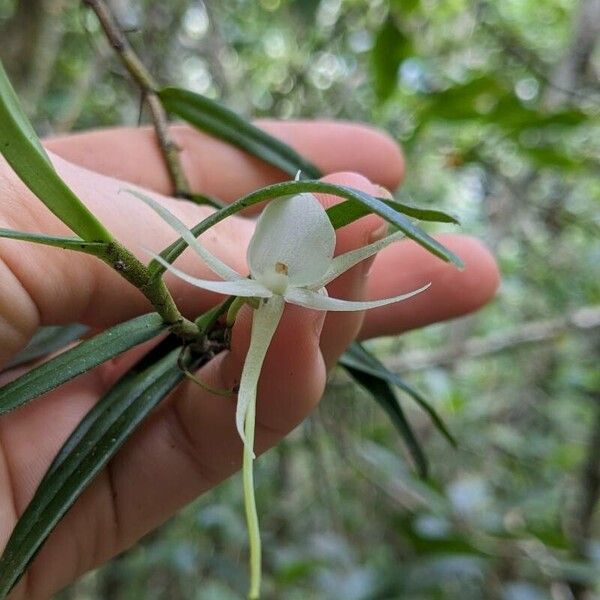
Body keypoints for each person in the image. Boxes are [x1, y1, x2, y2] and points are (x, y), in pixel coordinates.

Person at [0, 120, 499, 599]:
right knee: (247, 407)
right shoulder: (263, 275)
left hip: (255, 292)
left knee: (250, 406)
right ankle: (256, 570)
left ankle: (257, 570)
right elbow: (195, 247)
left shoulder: (290, 285)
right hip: (239, 290)